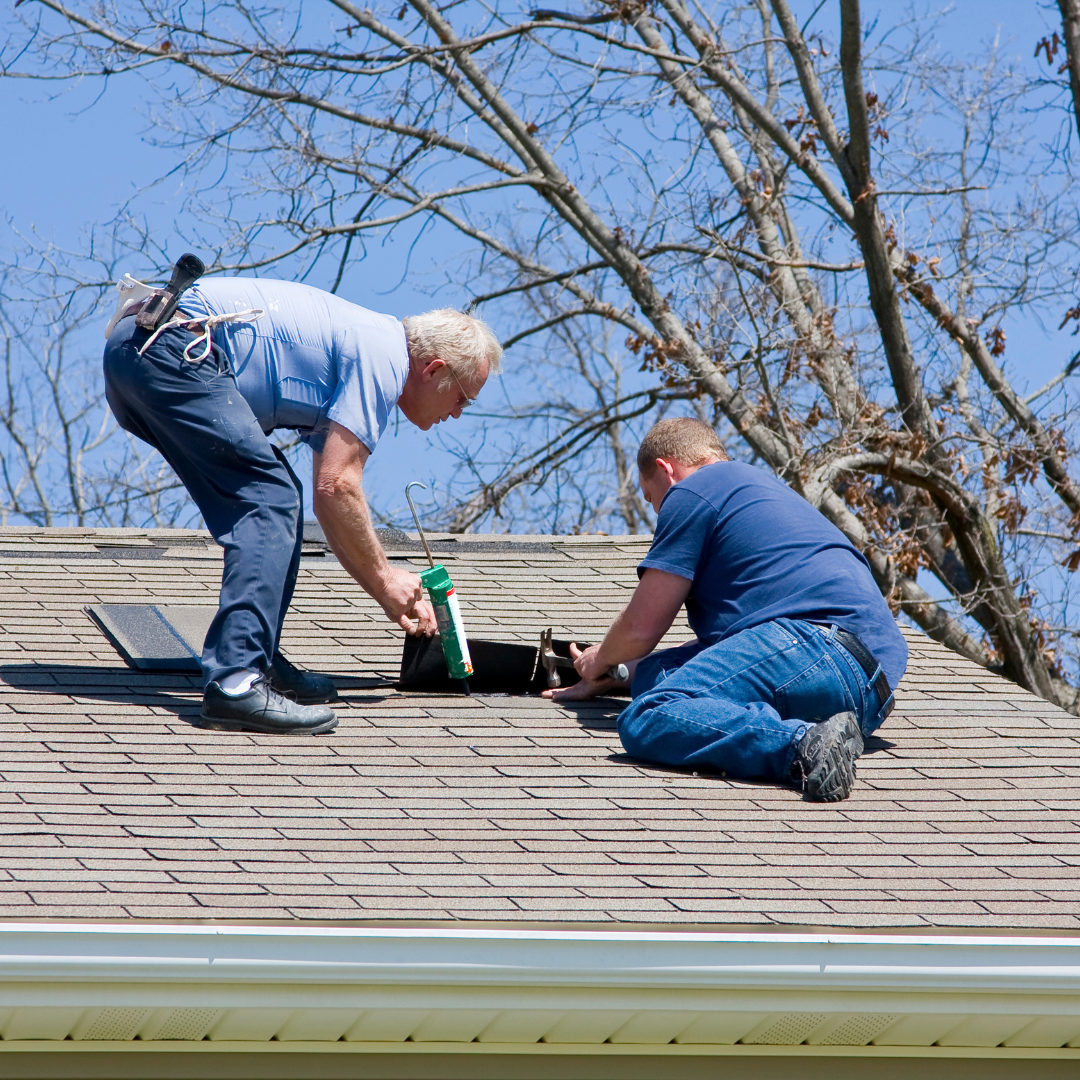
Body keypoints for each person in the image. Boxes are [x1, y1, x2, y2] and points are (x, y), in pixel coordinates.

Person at [103, 275, 501, 736]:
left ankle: (258, 659)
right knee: (269, 498)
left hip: (138, 350)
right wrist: (386, 579)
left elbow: (327, 500)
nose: (456, 412)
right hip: (172, 348)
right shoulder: (382, 356)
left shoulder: (361, 345)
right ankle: (236, 682)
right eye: (463, 399)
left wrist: (383, 587)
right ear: (433, 370)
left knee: (279, 500)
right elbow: (339, 486)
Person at [544, 418, 908, 801]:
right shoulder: (759, 494)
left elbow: (640, 629)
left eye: (651, 498)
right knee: (662, 681)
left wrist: (599, 658)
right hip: (867, 695)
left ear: (666, 469)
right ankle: (823, 736)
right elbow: (724, 657)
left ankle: (802, 744)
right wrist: (620, 675)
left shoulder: (694, 490)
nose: (658, 511)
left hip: (814, 645)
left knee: (649, 714)